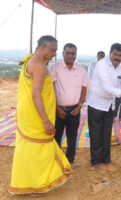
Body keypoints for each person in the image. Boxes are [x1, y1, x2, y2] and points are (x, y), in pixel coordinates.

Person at [9, 35, 72, 194]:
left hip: (29, 115)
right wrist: (45, 121)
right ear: (43, 47)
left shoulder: (31, 60)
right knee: (39, 149)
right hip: (36, 118)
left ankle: (28, 183)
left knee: (30, 150)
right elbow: (36, 95)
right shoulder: (38, 65)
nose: (54, 54)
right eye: (53, 50)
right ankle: (34, 183)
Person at [86, 43, 121, 171]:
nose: (117, 57)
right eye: (115, 54)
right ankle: (95, 161)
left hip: (110, 104)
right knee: (96, 133)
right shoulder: (102, 65)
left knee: (106, 133)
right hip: (96, 104)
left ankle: (106, 159)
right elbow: (107, 88)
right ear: (110, 53)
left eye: (120, 55)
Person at [50, 43, 89, 169]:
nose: (71, 56)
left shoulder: (81, 70)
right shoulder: (55, 68)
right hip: (58, 110)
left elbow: (84, 89)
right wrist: (57, 108)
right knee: (56, 137)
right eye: (68, 53)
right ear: (63, 53)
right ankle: (55, 162)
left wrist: (79, 107)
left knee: (72, 138)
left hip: (74, 110)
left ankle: (70, 161)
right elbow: (50, 90)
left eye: (73, 53)